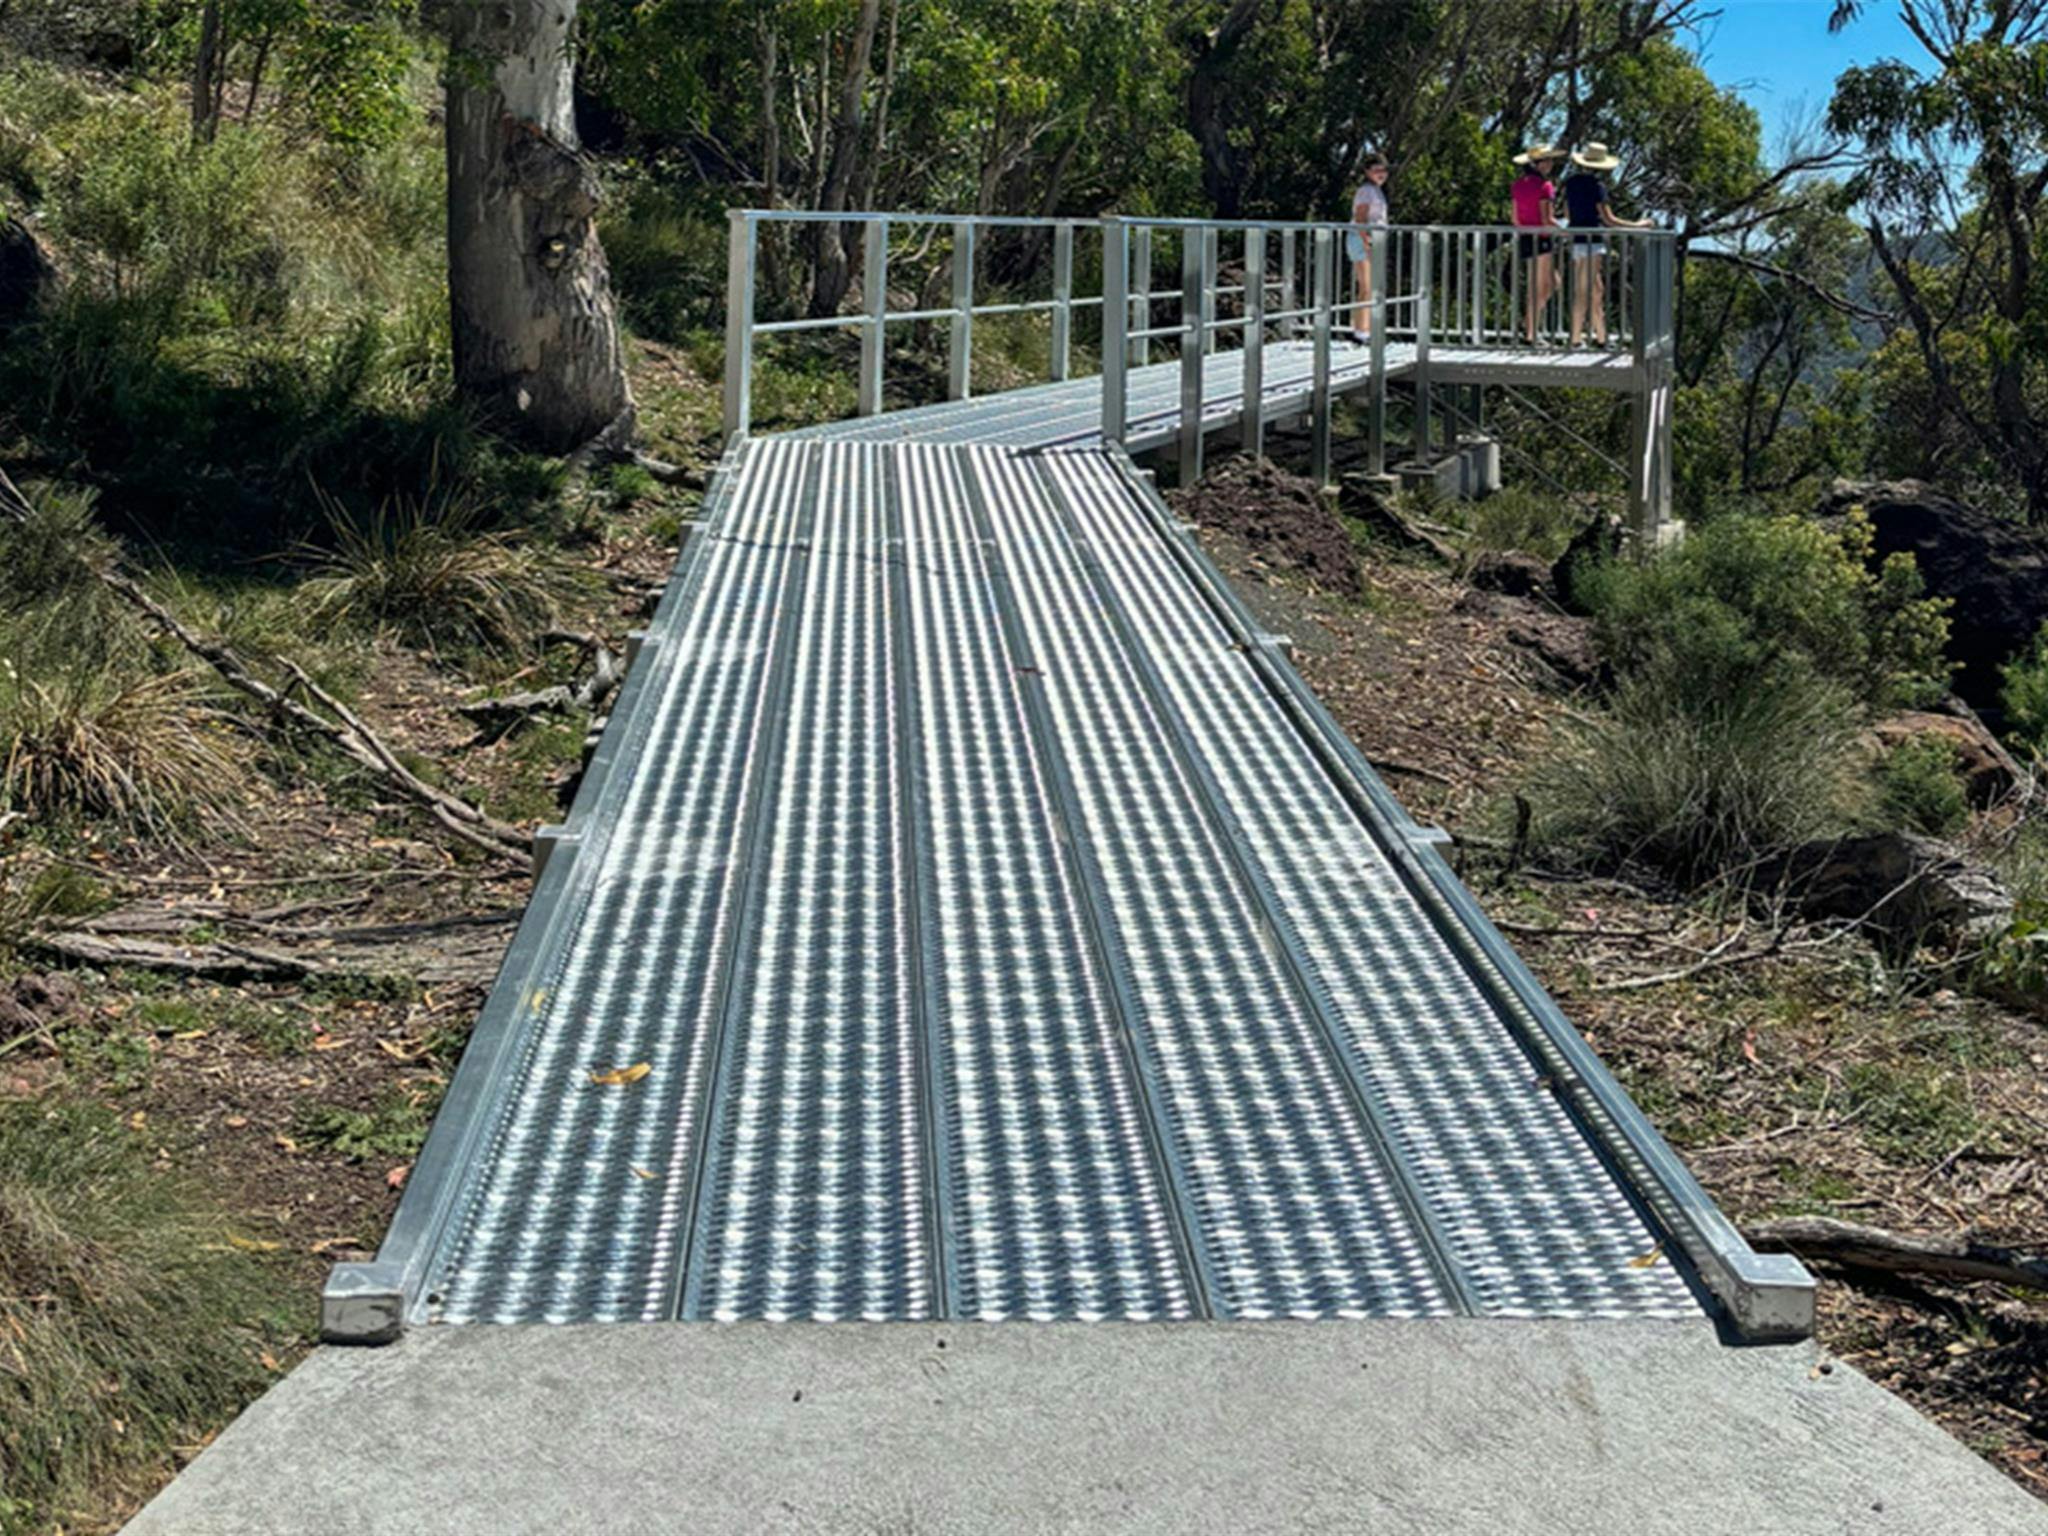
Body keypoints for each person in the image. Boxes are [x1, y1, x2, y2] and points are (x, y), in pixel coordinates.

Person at [1561, 142, 1650, 347]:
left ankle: (1601, 337)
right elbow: (1609, 220)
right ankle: (1575, 339)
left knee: (1596, 290)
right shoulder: (1597, 187)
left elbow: (1567, 212)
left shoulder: (1571, 183)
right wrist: (1638, 225)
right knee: (1583, 291)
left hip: (1576, 240)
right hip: (1592, 243)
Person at [1510, 143, 1563, 343]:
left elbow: (1514, 218)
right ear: (1539, 164)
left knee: (1548, 284)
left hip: (1525, 236)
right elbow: (1547, 219)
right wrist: (1566, 231)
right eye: (1548, 160)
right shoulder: (1545, 186)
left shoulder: (1518, 185)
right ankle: (1530, 332)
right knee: (1542, 286)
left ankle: (1528, 324)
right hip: (1541, 239)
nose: (1550, 164)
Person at [1347, 153, 1390, 342]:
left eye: (1383, 170)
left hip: (1370, 240)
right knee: (1366, 286)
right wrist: (1366, 240)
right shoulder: (1366, 190)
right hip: (1362, 239)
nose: (1381, 174)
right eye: (1376, 170)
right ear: (1367, 172)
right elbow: (1361, 216)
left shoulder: (1375, 190)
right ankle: (1361, 332)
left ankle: (1365, 329)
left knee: (1371, 287)